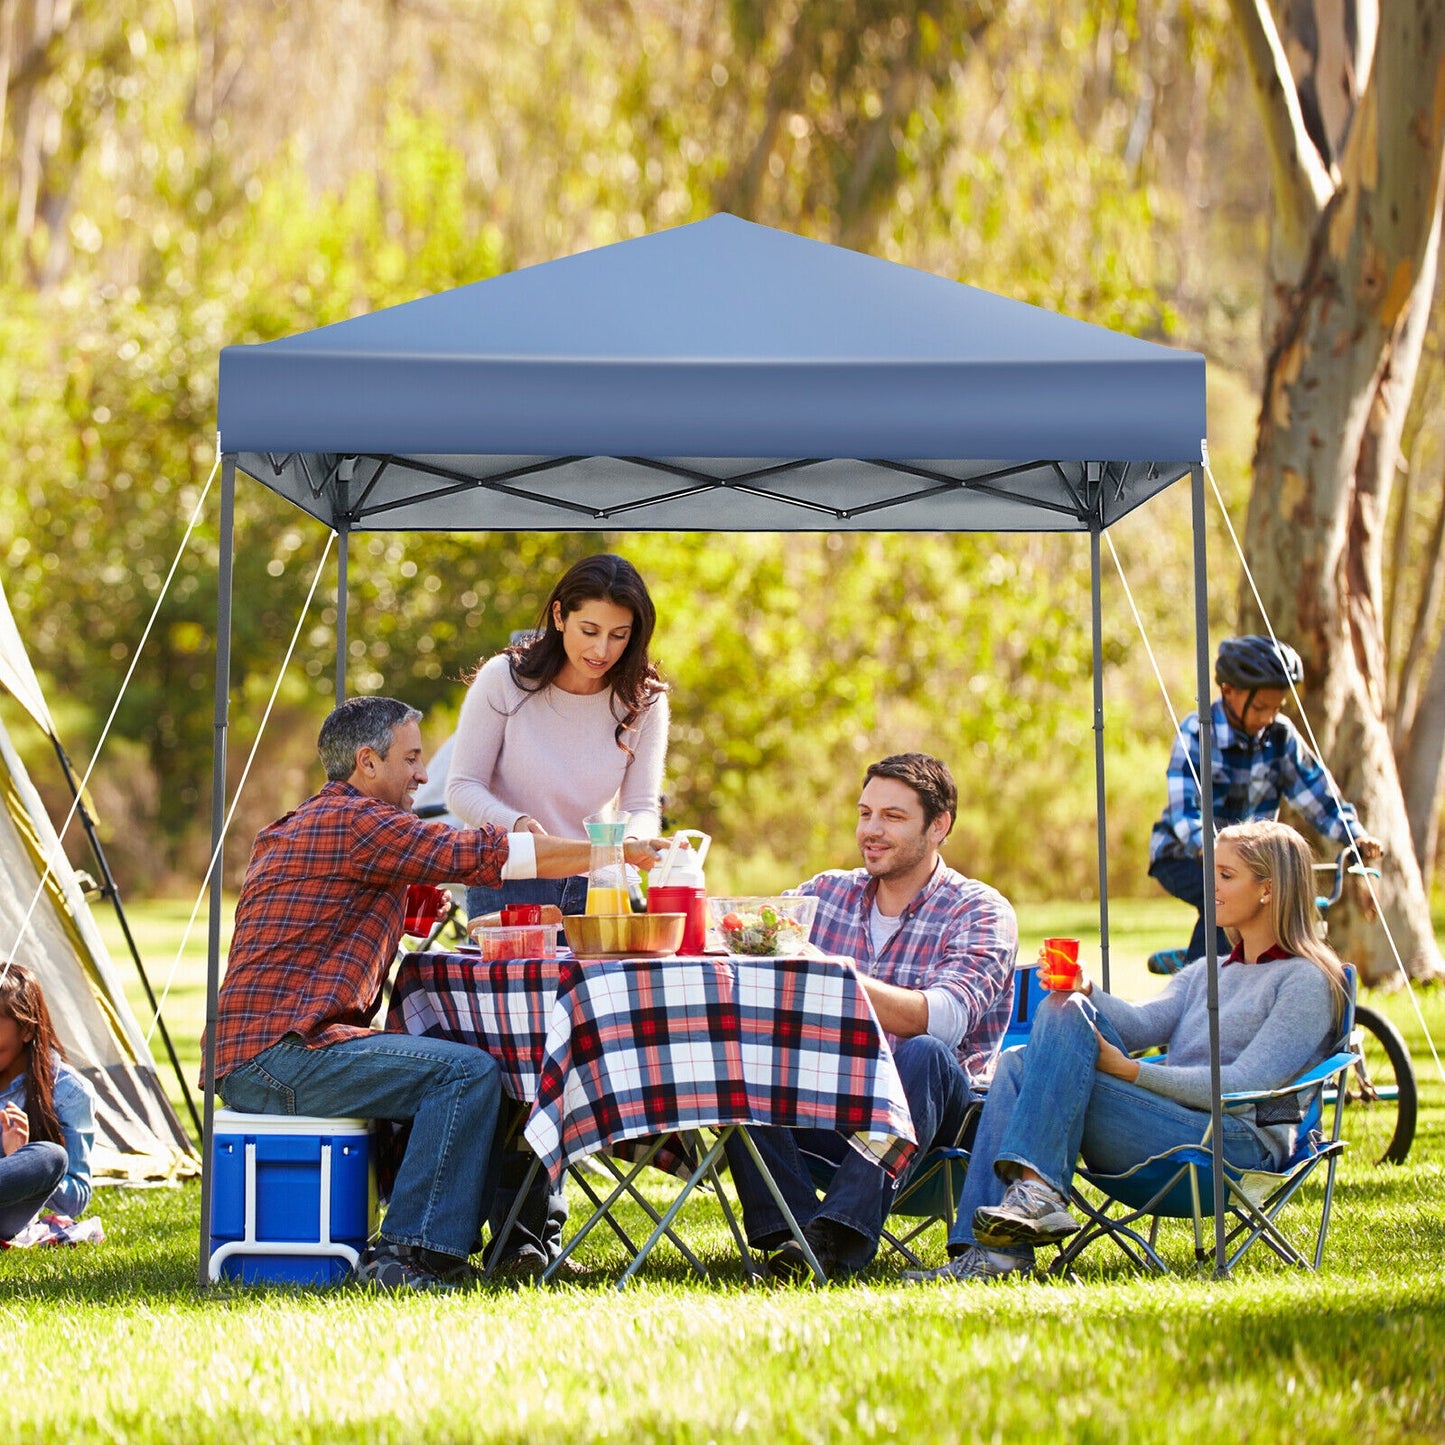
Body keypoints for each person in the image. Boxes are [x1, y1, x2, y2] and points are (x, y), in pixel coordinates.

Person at [210, 695, 662, 1292]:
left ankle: (484, 1238)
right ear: (367, 763)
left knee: (462, 1061)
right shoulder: (359, 822)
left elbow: (343, 910)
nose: (424, 775)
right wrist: (612, 850)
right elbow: (487, 854)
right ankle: (409, 1255)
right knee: (466, 1073)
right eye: (413, 758)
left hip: (266, 1051)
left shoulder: (314, 820)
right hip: (282, 1058)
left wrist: (410, 903)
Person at [909, 819, 1346, 1284]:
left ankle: (1015, 1227)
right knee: (1042, 1031)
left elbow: (1245, 1083)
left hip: (1233, 1144)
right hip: (1166, 1126)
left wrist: (1133, 1073)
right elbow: (1140, 1024)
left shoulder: (1307, 981)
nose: (1208, 885)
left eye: (1225, 875)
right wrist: (1085, 989)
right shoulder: (1207, 971)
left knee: (1025, 1062)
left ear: (1268, 890)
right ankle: (1018, 1220)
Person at [723, 753, 1017, 1282]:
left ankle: (832, 1238)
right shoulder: (822, 894)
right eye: (865, 814)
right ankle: (792, 1233)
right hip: (824, 1099)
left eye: (893, 817)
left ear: (939, 826)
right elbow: (747, 948)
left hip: (930, 1112)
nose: (871, 831)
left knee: (923, 1051)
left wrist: (832, 975)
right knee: (739, 1052)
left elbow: (942, 1021)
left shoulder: (979, 909)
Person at [447, 553, 669, 922]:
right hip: (511, 879)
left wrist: (632, 844)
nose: (602, 650)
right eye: (589, 630)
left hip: (599, 885)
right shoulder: (505, 679)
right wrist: (516, 824)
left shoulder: (644, 700)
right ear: (559, 616)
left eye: (618, 636)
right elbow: (462, 787)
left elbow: (642, 805)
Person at [1147, 634, 1382, 975]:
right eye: (1260, 708)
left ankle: (1214, 966)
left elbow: (1316, 792)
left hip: (1252, 862)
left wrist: (1353, 836)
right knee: (1226, 897)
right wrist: (1215, 852)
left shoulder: (1280, 737)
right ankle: (1198, 976)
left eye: (1276, 708)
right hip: (1183, 854)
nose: (1268, 717)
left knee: (1270, 907)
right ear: (1228, 691)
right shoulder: (1198, 733)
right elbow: (1186, 813)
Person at [0, 961, 97, 1242]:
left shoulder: (70, 1091)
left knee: (50, 1157)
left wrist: (19, 1154)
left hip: (7, 1214)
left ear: (27, 1030)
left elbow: (75, 1201)